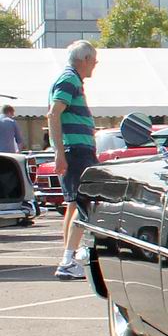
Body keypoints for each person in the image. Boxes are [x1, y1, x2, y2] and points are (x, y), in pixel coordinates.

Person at [48, 41, 99, 280]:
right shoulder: (69, 80)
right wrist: (59, 151)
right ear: (84, 59)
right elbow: (54, 113)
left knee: (72, 203)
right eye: (94, 59)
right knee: (84, 203)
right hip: (76, 151)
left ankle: (70, 256)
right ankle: (68, 259)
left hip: (75, 150)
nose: (95, 64)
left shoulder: (71, 80)